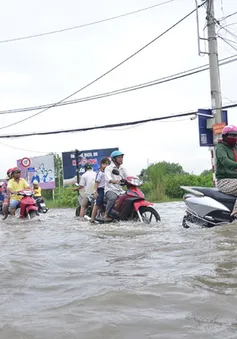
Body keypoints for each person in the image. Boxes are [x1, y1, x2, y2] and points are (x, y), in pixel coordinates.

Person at [216, 125, 237, 219]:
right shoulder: (220, 147)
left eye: (236, 135)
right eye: (232, 135)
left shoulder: (235, 148)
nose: (234, 138)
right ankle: (235, 214)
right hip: (225, 181)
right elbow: (225, 161)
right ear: (225, 136)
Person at [103, 150, 127, 222]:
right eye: (119, 157)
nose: (121, 159)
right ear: (114, 159)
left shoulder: (123, 169)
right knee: (113, 198)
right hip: (110, 190)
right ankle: (106, 214)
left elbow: (128, 176)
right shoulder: (109, 168)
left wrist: (137, 181)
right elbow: (107, 177)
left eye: (122, 157)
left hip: (120, 190)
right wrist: (112, 181)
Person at [90, 157, 111, 223]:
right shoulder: (100, 173)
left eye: (108, 164)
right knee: (98, 202)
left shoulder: (109, 173)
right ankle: (92, 219)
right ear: (101, 164)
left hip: (108, 189)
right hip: (101, 189)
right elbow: (96, 183)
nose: (106, 165)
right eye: (105, 164)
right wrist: (95, 191)